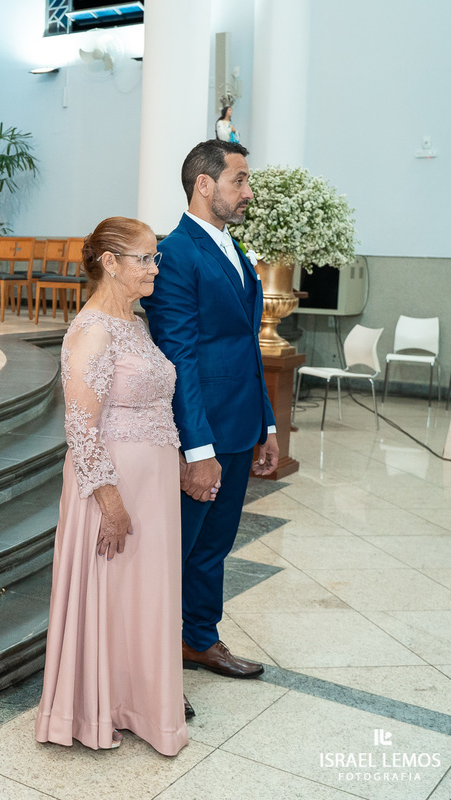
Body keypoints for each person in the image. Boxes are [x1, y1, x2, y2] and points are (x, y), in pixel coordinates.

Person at [35, 217, 189, 757]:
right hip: (113, 482)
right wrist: (109, 500)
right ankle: (95, 709)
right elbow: (80, 424)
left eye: (155, 258)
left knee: (142, 596)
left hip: (153, 481)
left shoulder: (136, 322)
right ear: (110, 262)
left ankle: (136, 703)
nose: (154, 267)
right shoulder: (92, 329)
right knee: (112, 592)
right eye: (144, 258)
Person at [139, 140, 278, 682]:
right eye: (239, 180)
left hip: (241, 424)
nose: (249, 191)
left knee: (213, 548)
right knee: (176, 550)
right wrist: (197, 450)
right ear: (204, 183)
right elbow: (180, 358)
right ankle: (150, 663)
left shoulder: (233, 250)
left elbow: (246, 344)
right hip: (202, 435)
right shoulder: (175, 254)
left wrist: (265, 422)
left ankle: (198, 639)